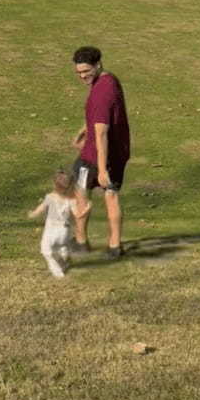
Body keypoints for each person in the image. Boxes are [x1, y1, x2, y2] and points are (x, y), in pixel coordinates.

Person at [71, 45, 130, 259]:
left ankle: (80, 242)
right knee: (111, 195)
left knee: (80, 192)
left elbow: (101, 131)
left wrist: (102, 169)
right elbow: (101, 119)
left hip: (95, 157)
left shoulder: (100, 95)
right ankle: (115, 246)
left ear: (98, 65)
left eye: (86, 71)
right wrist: (84, 129)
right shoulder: (110, 80)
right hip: (118, 152)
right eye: (79, 72)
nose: (83, 76)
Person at [28, 170, 87, 278]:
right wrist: (85, 211)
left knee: (46, 250)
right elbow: (77, 215)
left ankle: (58, 272)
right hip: (65, 232)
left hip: (51, 230)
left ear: (55, 185)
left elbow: (41, 208)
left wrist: (33, 213)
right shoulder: (71, 200)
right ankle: (64, 254)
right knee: (61, 246)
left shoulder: (50, 197)